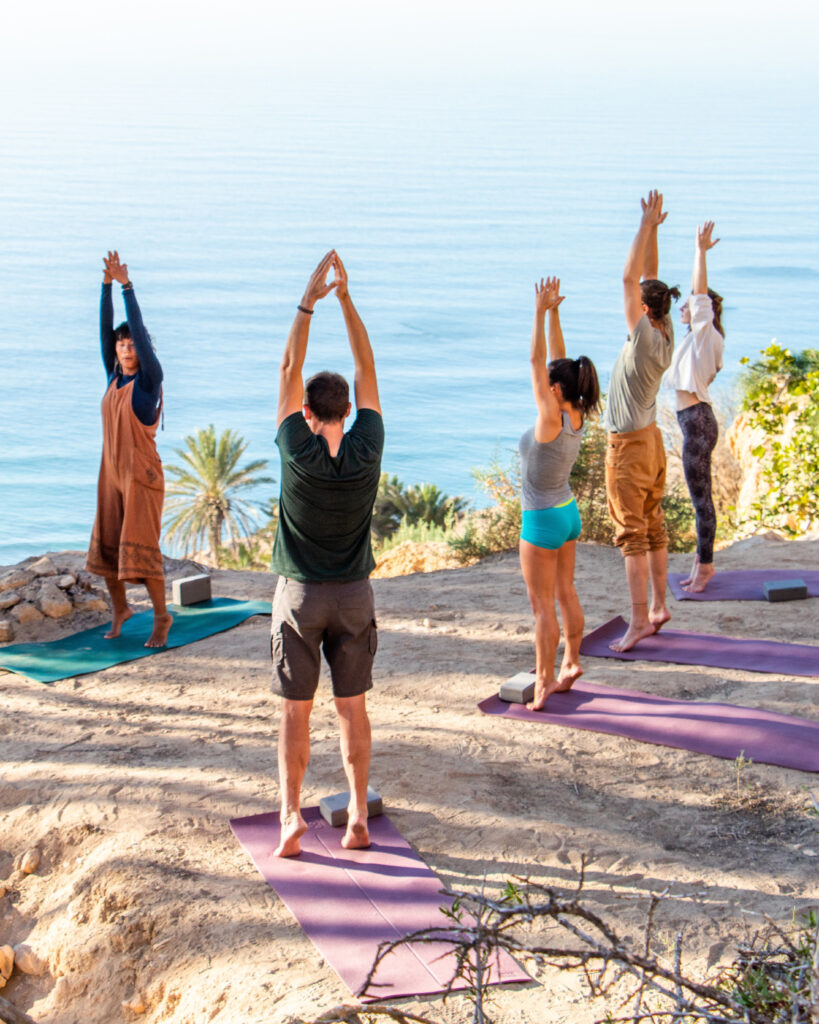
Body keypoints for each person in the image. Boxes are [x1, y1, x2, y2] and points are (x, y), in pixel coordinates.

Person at [270, 250, 384, 858]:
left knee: (295, 712)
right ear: (350, 411)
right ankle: (358, 816)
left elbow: (290, 364)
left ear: (308, 413)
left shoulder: (296, 448)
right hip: (353, 595)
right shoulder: (368, 445)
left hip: (300, 596)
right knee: (351, 709)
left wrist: (308, 301)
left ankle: (292, 819)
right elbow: (367, 366)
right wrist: (345, 299)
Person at [519, 277, 601, 710]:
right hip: (568, 511)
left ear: (554, 391)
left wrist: (537, 312)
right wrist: (554, 313)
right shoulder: (577, 411)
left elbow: (537, 360)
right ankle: (570, 661)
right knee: (566, 591)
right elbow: (556, 363)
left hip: (542, 518)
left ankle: (545, 681)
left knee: (541, 607)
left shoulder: (549, 418)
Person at [605, 191, 680, 652]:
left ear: (644, 309)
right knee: (653, 525)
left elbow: (630, 276)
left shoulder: (642, 335)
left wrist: (642, 225)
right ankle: (657, 605)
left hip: (630, 448)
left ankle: (638, 623)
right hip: (651, 440)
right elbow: (649, 278)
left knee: (632, 535)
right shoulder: (665, 329)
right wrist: (653, 228)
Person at [86, 251, 172, 648]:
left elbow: (135, 326)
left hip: (141, 475)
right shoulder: (112, 376)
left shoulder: (149, 380)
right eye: (121, 343)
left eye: (132, 343)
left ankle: (161, 616)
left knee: (144, 550)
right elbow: (103, 331)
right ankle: (120, 609)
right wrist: (104, 285)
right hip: (111, 472)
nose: (125, 347)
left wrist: (127, 287)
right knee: (105, 546)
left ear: (142, 349)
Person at [664, 221, 724, 592]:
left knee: (702, 500)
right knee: (698, 498)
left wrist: (699, 251)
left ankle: (706, 568)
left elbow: (698, 295)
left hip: (697, 422)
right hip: (695, 421)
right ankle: (699, 564)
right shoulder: (697, 341)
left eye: (687, 304)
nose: (683, 306)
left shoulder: (706, 333)